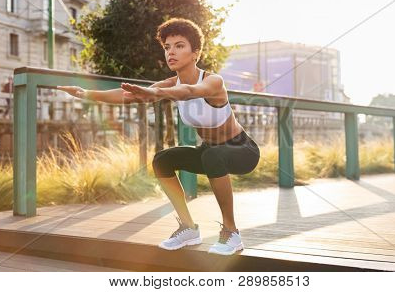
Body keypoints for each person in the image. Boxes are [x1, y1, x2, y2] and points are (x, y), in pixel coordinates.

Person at [57, 18, 260, 256]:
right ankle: (188, 228)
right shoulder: (170, 83)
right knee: (162, 159)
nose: (171, 52)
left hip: (242, 151)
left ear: (195, 52)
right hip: (210, 152)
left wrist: (156, 92)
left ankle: (231, 233)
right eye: (167, 47)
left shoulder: (213, 81)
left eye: (179, 45)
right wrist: (86, 93)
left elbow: (189, 92)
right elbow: (130, 95)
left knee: (214, 155)